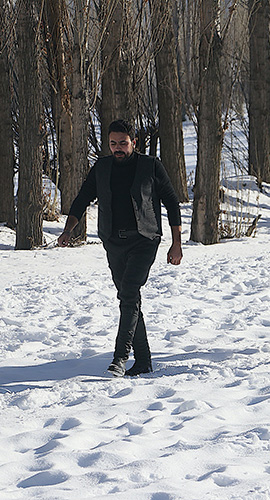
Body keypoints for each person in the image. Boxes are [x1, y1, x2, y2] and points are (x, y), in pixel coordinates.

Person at [58, 119, 183, 377]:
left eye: (123, 143)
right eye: (113, 143)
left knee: (128, 293)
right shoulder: (101, 168)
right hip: (113, 241)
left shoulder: (150, 166)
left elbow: (171, 202)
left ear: (133, 142)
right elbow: (82, 199)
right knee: (130, 298)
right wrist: (68, 229)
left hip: (144, 239)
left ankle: (120, 357)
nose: (118, 148)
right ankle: (144, 360)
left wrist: (177, 243)